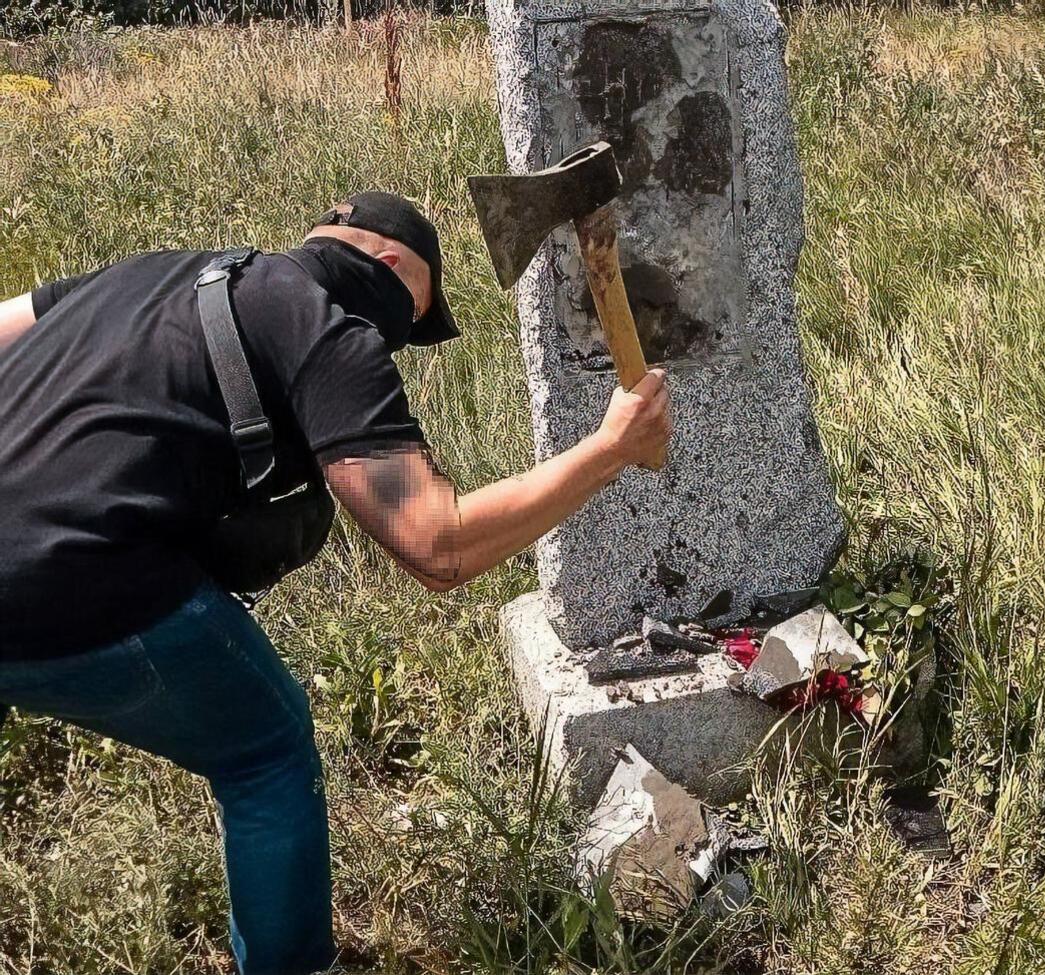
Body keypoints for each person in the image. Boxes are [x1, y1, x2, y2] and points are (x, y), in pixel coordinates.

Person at [0, 192, 671, 974]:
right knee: (266, 752)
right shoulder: (327, 329)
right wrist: (608, 449)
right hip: (74, 579)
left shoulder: (150, 273)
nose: (396, 341)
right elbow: (437, 544)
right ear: (388, 264)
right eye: (409, 318)